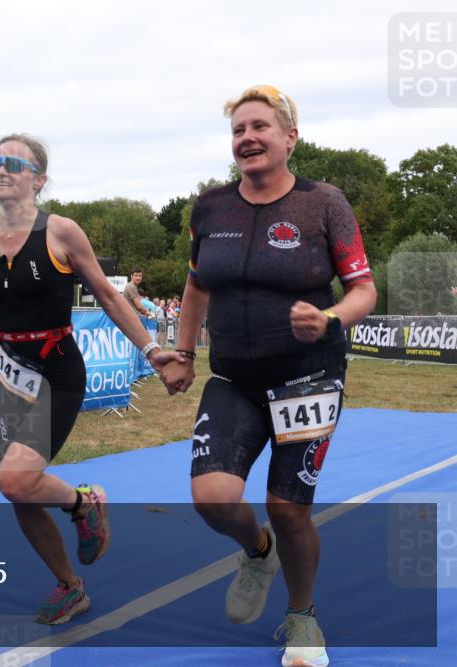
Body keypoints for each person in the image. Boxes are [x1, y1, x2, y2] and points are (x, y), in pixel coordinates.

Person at [161, 85, 376, 667]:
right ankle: (257, 552)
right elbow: (197, 283)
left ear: (290, 137)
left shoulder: (324, 203)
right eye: (238, 130)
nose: (248, 138)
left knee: (289, 508)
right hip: (232, 378)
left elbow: (363, 289)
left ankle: (301, 614)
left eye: (260, 127)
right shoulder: (209, 207)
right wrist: (183, 351)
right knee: (212, 498)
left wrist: (328, 318)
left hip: (307, 378)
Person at [0, 134, 183, 624]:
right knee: (19, 492)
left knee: (13, 478)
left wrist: (151, 348)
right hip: (9, 377)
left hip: (57, 372)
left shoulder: (62, 232)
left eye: (14, 163)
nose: (1, 169)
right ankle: (70, 587)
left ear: (39, 179)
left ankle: (84, 504)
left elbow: (110, 296)